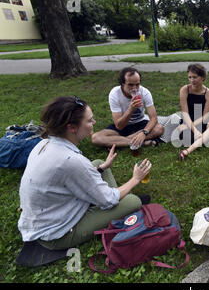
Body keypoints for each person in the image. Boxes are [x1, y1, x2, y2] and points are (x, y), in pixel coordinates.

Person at [17, 96, 152, 253]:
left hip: (45, 216)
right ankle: (120, 205)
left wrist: (101, 169)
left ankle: (114, 201)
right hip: (56, 233)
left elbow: (68, 176)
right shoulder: (70, 160)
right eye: (89, 121)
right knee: (133, 202)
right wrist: (136, 179)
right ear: (72, 127)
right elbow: (108, 199)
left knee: (97, 164)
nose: (94, 123)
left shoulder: (44, 143)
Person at [91, 67, 164, 148]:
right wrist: (130, 110)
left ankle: (118, 143)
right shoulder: (115, 94)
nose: (135, 88)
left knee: (159, 128)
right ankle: (142, 143)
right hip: (123, 127)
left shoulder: (144, 92)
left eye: (137, 84)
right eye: (130, 85)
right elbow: (119, 126)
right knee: (96, 138)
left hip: (140, 124)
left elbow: (154, 118)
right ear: (122, 83)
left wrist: (144, 133)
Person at [177, 64, 209, 160]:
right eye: (190, 77)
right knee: (187, 138)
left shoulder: (208, 93)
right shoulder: (184, 90)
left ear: (203, 78)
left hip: (201, 121)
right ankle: (205, 136)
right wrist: (195, 130)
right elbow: (185, 114)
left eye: (195, 77)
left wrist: (196, 129)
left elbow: (205, 116)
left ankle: (187, 151)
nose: (192, 80)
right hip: (187, 121)